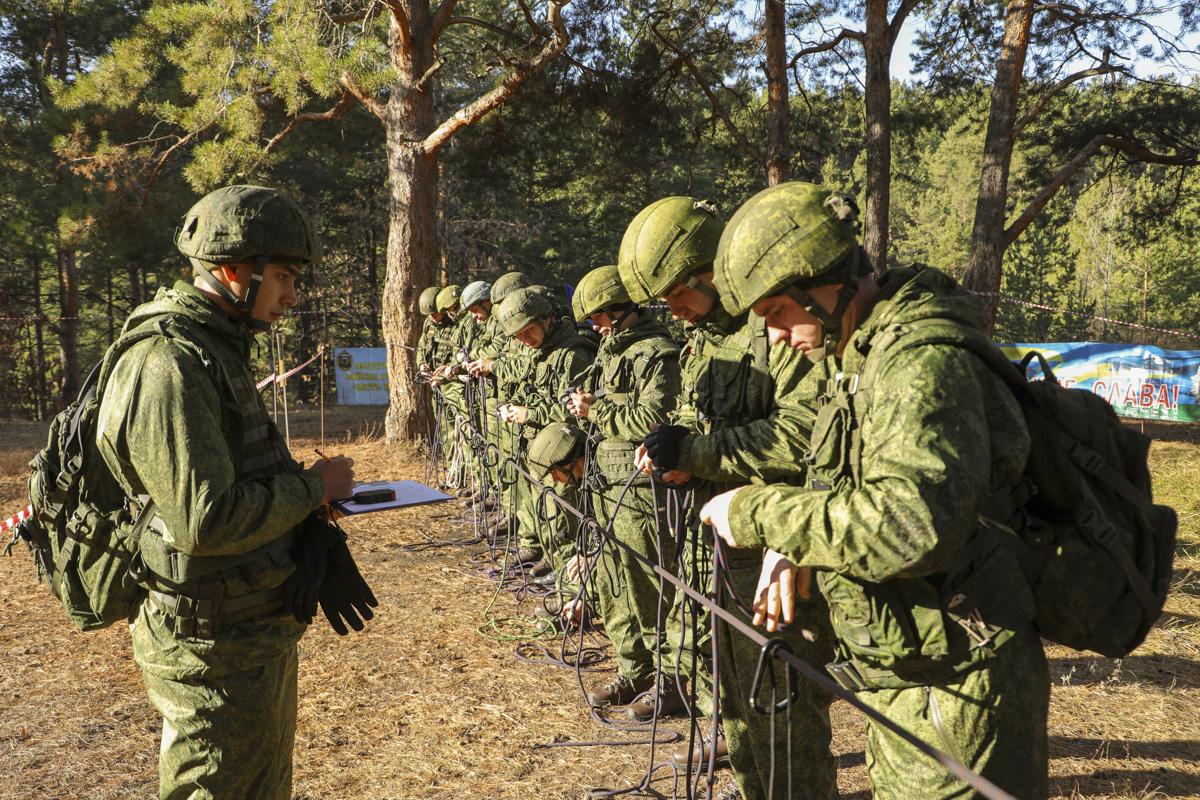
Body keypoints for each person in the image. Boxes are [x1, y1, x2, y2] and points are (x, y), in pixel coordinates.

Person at [700, 180, 1048, 800]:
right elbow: (845, 476)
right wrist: (795, 548)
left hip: (957, 686)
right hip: (908, 670)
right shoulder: (857, 355)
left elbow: (910, 524)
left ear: (825, 283)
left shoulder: (918, 363)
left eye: (779, 312)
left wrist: (759, 514)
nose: (775, 336)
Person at [95, 185, 373, 800]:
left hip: (249, 630)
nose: (291, 296)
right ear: (231, 270)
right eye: (281, 276)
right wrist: (310, 487)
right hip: (209, 647)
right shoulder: (170, 363)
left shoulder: (216, 348)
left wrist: (309, 512)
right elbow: (205, 519)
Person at [619, 196, 836, 799]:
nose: (672, 311)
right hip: (712, 541)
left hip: (771, 550)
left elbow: (802, 432)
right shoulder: (703, 340)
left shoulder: (782, 322)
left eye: (676, 295)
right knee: (737, 710)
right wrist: (671, 448)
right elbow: (700, 420)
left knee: (781, 714)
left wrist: (697, 454)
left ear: (707, 272)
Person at [565, 265, 682, 710]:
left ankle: (671, 682)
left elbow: (654, 423)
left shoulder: (657, 353)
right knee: (616, 584)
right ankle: (633, 670)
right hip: (606, 483)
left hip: (642, 492)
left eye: (598, 317)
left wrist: (596, 410)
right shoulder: (608, 352)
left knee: (655, 589)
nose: (594, 326)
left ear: (621, 309)